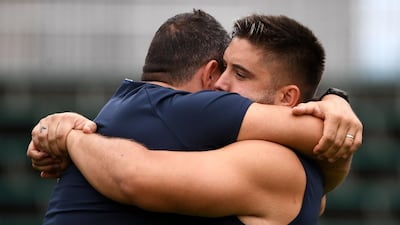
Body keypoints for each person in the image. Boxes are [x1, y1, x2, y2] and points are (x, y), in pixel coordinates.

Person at [29, 11, 362, 225]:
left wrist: (71, 137)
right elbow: (321, 181)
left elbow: (132, 175)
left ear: (288, 98)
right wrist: (335, 101)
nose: (219, 83)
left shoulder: (267, 159)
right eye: (224, 67)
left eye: (241, 74)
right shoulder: (294, 173)